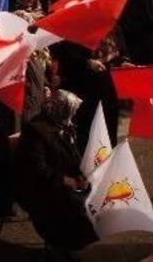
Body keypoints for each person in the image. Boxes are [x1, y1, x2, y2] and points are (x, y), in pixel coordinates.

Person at [14, 90, 98, 254]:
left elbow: (73, 157)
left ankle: (86, 244)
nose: (72, 117)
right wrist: (67, 180)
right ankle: (76, 246)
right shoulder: (36, 131)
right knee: (78, 204)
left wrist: (81, 174)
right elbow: (36, 169)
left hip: (59, 181)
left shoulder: (63, 126)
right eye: (71, 111)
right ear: (62, 109)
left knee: (95, 194)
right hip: (41, 187)